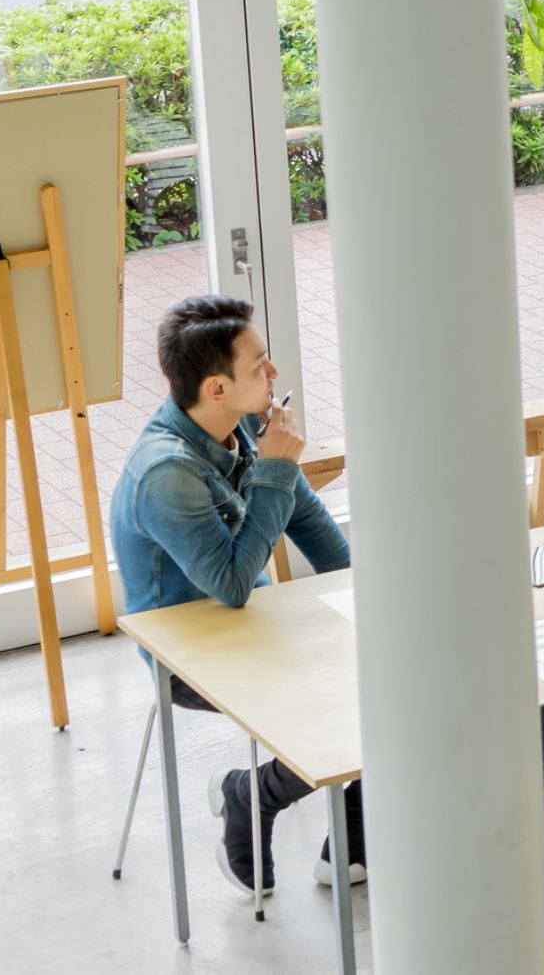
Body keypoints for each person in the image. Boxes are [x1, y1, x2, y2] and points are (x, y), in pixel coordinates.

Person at [109, 295, 360, 894]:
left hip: (260, 628)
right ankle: (251, 796)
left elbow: (313, 531)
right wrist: (275, 470)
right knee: (371, 694)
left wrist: (374, 600)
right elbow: (228, 587)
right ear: (217, 388)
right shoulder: (165, 473)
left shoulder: (244, 424)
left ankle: (352, 833)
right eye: (260, 364)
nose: (275, 375)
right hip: (192, 658)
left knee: (413, 668)